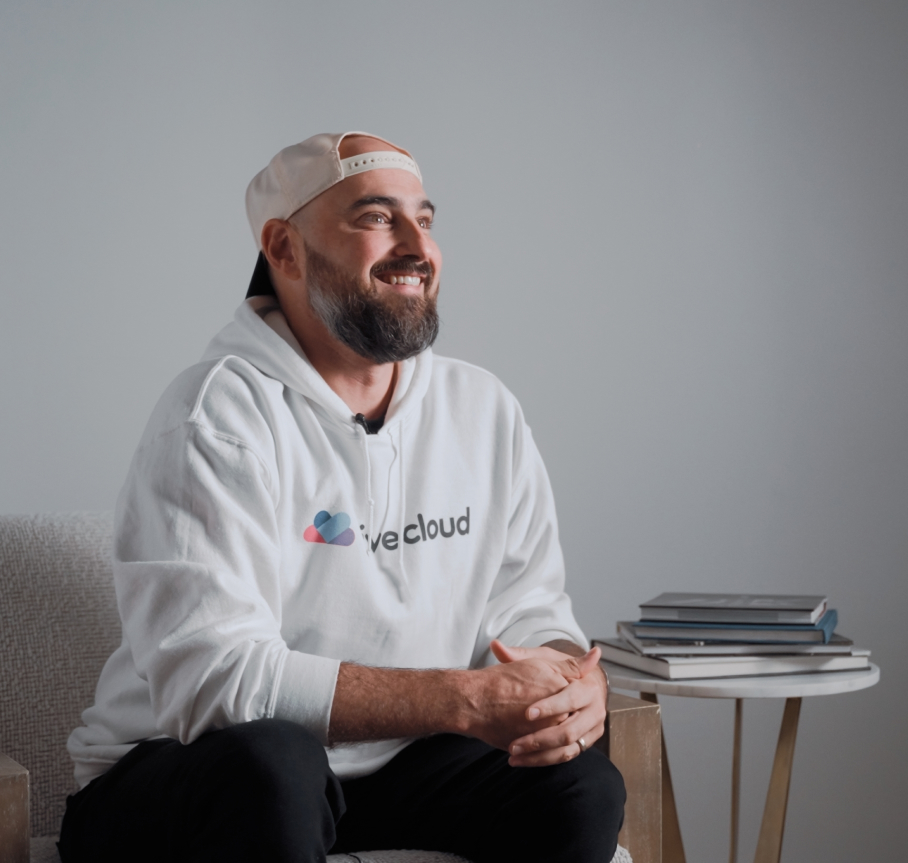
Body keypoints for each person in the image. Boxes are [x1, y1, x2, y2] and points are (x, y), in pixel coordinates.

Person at [58, 132, 624, 863]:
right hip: (189, 776)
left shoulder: (482, 409)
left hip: (398, 773)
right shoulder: (215, 417)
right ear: (284, 249)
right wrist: (464, 699)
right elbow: (217, 682)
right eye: (376, 218)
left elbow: (527, 607)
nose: (417, 246)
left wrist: (568, 681)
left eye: (424, 218)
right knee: (273, 766)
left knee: (579, 783)